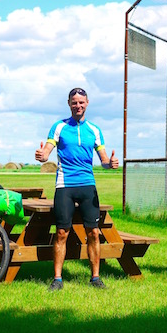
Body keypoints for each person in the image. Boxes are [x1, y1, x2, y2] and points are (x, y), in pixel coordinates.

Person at [35, 87, 119, 291]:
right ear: (69, 104)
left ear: (87, 103)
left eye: (81, 102)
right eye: (74, 102)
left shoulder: (95, 130)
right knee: (62, 232)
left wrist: (110, 163)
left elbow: (103, 159)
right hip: (65, 184)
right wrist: (43, 156)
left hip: (87, 185)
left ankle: (96, 277)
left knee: (93, 232)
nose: (78, 105)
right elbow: (47, 150)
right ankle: (57, 279)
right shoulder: (59, 127)